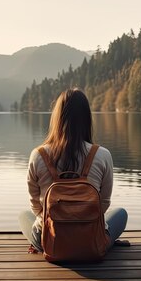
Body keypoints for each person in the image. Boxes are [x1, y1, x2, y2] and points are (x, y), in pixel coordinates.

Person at [19, 88, 128, 253]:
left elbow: (35, 204)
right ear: (86, 119)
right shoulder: (103, 155)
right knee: (120, 213)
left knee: (23, 215)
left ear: (56, 118)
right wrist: (81, 221)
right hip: (91, 240)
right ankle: (101, 242)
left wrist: (54, 221)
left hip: (50, 242)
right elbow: (103, 203)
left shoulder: (38, 155)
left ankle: (48, 244)